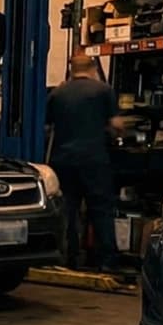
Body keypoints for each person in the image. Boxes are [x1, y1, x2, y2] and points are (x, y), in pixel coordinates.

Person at [45, 54, 127, 270]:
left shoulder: (58, 93)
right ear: (92, 69)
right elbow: (117, 124)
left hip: (63, 160)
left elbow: (48, 125)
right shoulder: (102, 90)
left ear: (72, 69)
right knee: (100, 210)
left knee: (68, 211)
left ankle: (69, 259)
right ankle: (107, 262)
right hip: (94, 160)